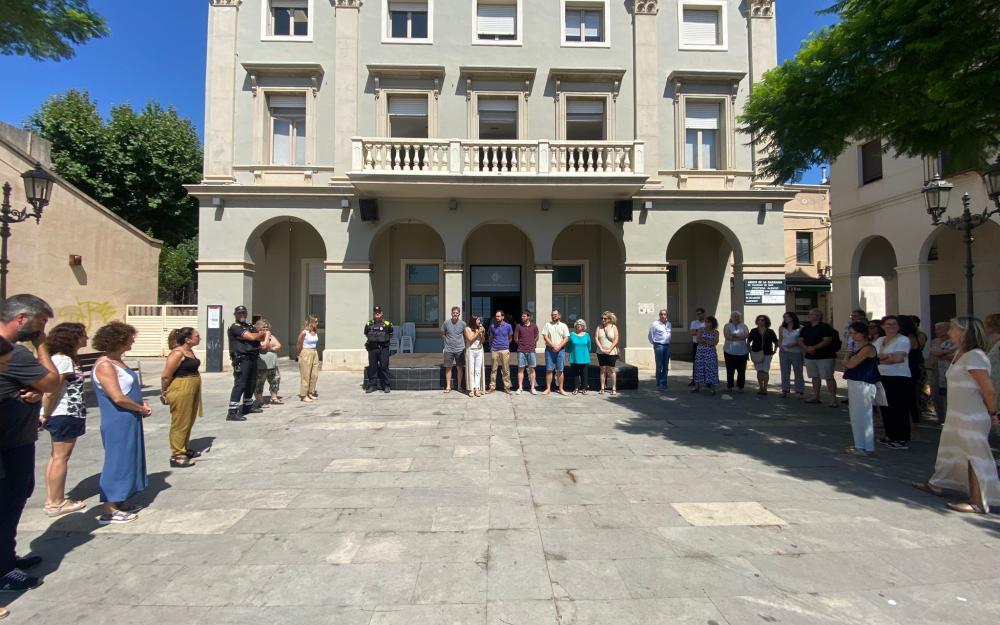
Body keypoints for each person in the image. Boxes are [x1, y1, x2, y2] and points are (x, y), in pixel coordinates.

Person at [0, 294, 60, 592]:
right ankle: (4, 570)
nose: (43, 328)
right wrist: (41, 346)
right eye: (41, 322)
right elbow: (52, 381)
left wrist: (29, 390)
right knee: (8, 502)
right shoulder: (15, 353)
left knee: (13, 499)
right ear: (22, 319)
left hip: (14, 437)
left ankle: (7, 556)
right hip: (10, 442)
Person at [912, 317, 1000, 514]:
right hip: (957, 414)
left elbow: (989, 390)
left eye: (953, 328)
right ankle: (938, 483)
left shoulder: (975, 356)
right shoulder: (961, 353)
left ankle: (978, 501)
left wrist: (994, 413)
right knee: (949, 450)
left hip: (971, 416)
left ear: (964, 332)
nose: (949, 331)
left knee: (975, 456)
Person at [91, 322, 150, 525]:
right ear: (119, 340)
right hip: (118, 418)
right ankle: (109, 508)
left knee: (128, 458)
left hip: (129, 416)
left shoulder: (117, 361)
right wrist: (140, 408)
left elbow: (127, 389)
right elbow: (117, 397)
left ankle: (120, 499)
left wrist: (140, 403)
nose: (133, 340)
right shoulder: (105, 365)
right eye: (130, 337)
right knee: (116, 460)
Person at [40, 322, 89, 516]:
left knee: (56, 457)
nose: (87, 338)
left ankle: (53, 499)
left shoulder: (63, 359)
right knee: (61, 457)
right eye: (83, 335)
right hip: (65, 413)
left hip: (65, 413)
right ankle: (56, 502)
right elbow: (52, 391)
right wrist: (45, 413)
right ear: (72, 338)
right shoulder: (63, 360)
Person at [160, 327, 203, 468]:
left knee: (189, 419)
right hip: (181, 387)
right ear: (187, 339)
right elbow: (166, 375)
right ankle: (177, 454)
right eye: (197, 336)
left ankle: (184, 448)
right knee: (180, 420)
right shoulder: (177, 353)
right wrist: (164, 391)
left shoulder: (189, 352)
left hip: (192, 386)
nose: (200, 338)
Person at [874, 315, 913, 449]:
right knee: (885, 407)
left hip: (899, 377)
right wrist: (886, 356)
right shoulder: (879, 340)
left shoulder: (903, 340)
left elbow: (898, 359)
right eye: (888, 324)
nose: (891, 326)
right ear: (883, 326)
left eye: (894, 324)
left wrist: (881, 358)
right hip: (882, 376)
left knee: (899, 408)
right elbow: (872, 356)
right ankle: (890, 435)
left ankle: (901, 438)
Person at [842, 321, 879, 455]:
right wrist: (848, 356)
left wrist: (847, 358)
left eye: (854, 333)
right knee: (856, 414)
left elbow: (850, 364)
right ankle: (859, 445)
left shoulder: (868, 348)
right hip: (855, 382)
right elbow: (848, 363)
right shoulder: (857, 347)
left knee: (864, 415)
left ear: (862, 334)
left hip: (863, 383)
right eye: (850, 333)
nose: (852, 336)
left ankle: (867, 447)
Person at [227, 305, 268, 420]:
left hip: (253, 357)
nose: (242, 315)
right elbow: (251, 337)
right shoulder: (235, 327)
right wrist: (255, 336)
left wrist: (256, 336)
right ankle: (232, 412)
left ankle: (248, 406)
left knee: (251, 383)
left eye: (244, 313)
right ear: (235, 315)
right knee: (240, 384)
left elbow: (260, 336)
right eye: (239, 313)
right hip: (242, 358)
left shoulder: (249, 326)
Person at [799, 308, 839, 407]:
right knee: (814, 377)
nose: (809, 316)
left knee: (828, 377)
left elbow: (827, 340)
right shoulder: (806, 327)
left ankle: (833, 399)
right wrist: (806, 349)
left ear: (818, 316)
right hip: (810, 357)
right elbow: (800, 340)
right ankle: (816, 396)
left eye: (811, 314)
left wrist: (814, 348)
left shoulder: (825, 327)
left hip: (825, 356)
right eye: (809, 314)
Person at [928, 321, 956, 421]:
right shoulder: (935, 341)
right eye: (936, 329)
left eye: (940, 328)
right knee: (936, 393)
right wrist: (946, 352)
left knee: (949, 395)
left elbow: (954, 353)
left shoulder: (954, 341)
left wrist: (943, 353)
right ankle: (941, 418)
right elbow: (935, 352)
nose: (937, 331)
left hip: (950, 370)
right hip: (936, 370)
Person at [253, 319, 283, 407]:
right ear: (258, 328)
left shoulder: (271, 336)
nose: (266, 329)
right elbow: (263, 346)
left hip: (272, 365)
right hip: (261, 366)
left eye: (267, 327)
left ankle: (274, 398)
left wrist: (271, 348)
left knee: (275, 380)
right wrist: (267, 337)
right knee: (259, 383)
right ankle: (260, 401)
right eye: (263, 327)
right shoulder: (257, 336)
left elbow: (279, 345)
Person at [364, 306, 393, 393]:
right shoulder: (369, 324)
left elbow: (391, 334)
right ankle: (372, 385)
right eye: (376, 312)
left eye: (379, 312)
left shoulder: (387, 324)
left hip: (383, 348)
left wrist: (383, 340)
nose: (377, 313)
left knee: (384, 366)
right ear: (373, 313)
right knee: (372, 367)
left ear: (382, 313)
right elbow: (366, 334)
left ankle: (386, 385)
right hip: (372, 349)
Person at [748, 315, 779, 396]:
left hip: (767, 353)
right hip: (756, 353)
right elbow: (748, 341)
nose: (761, 321)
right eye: (759, 320)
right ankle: (760, 387)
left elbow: (776, 341)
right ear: (757, 321)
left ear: (766, 321)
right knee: (759, 371)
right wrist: (750, 350)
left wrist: (775, 350)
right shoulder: (753, 331)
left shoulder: (770, 331)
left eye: (762, 320)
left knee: (765, 371)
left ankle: (765, 388)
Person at [906, 315, 929, 424]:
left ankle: (916, 419)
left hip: (915, 365)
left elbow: (915, 348)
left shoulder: (918, 336)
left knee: (914, 394)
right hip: (908, 366)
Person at [542, 309, 570, 395]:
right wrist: (554, 346)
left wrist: (559, 346)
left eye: (555, 314)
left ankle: (561, 389)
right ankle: (548, 388)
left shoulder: (563, 325)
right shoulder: (547, 325)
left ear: (559, 316)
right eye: (552, 315)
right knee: (549, 369)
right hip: (549, 350)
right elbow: (545, 336)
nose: (553, 316)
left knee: (560, 370)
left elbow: (566, 338)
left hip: (561, 350)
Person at [778, 311, 805, 398]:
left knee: (798, 371)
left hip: (796, 352)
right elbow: (780, 339)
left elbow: (803, 340)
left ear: (792, 317)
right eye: (784, 317)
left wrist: (795, 344)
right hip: (784, 352)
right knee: (785, 371)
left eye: (787, 317)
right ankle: (785, 390)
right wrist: (780, 347)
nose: (786, 319)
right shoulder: (782, 328)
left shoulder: (800, 328)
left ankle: (799, 391)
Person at [441, 307, 466, 394]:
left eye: (457, 313)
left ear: (459, 314)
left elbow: (466, 335)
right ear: (451, 313)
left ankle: (459, 387)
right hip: (448, 349)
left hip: (460, 349)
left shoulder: (463, 324)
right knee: (448, 368)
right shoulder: (446, 323)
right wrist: (446, 340)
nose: (455, 314)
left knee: (460, 368)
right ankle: (448, 386)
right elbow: (442, 333)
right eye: (453, 312)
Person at [691, 316, 720, 394]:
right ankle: (697, 386)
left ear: (712, 323)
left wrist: (704, 340)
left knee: (711, 369)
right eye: (706, 322)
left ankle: (712, 388)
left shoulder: (716, 332)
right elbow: (698, 340)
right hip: (700, 353)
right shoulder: (701, 330)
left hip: (711, 354)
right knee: (699, 368)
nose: (706, 323)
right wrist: (709, 341)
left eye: (708, 322)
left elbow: (715, 343)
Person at [487, 310, 513, 394]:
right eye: (496, 316)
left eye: (498, 316)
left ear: (503, 317)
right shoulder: (492, 326)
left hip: (504, 350)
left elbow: (510, 338)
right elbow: (490, 337)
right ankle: (492, 387)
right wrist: (491, 347)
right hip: (495, 350)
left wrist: (506, 346)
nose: (497, 318)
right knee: (493, 369)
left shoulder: (508, 326)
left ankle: (507, 387)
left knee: (506, 369)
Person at [723, 311, 749, 393]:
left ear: (739, 317)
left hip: (742, 352)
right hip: (729, 351)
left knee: (741, 370)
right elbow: (727, 336)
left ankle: (740, 387)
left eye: (737, 316)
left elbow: (746, 335)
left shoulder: (744, 326)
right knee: (730, 370)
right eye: (733, 316)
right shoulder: (727, 326)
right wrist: (739, 337)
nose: (735, 318)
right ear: (731, 317)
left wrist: (733, 336)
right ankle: (729, 386)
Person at [514, 311, 539, 395]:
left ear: (528, 317)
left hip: (531, 350)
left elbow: (537, 336)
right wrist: (522, 344)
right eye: (522, 316)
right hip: (521, 350)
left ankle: (532, 388)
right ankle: (520, 387)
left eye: (524, 316)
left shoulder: (534, 326)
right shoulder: (518, 326)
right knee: (521, 369)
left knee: (532, 369)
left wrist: (531, 343)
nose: (522, 318)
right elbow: (515, 338)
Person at [296, 315, 321, 402]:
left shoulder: (315, 331)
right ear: (311, 322)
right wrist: (300, 355)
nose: (317, 323)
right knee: (305, 375)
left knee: (314, 374)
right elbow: (299, 344)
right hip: (306, 352)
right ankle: (304, 395)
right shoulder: (304, 333)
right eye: (316, 322)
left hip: (314, 352)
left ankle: (310, 392)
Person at [595, 311, 620, 396]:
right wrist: (601, 348)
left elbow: (616, 339)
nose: (603, 320)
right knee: (602, 369)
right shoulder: (599, 327)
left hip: (612, 352)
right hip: (600, 351)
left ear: (609, 319)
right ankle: (602, 387)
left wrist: (609, 349)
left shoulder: (614, 327)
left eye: (605, 318)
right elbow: (596, 338)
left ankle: (613, 388)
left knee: (611, 370)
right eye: (601, 318)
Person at [648, 309, 672, 391]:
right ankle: (659, 383)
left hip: (667, 346)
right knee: (659, 365)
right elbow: (650, 335)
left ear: (667, 315)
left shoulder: (669, 324)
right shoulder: (655, 324)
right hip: (659, 345)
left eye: (665, 314)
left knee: (666, 365)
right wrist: (654, 343)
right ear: (659, 315)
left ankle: (664, 383)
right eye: (661, 314)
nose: (663, 316)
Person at [568, 319, 592, 394]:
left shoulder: (587, 335)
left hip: (584, 357)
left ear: (584, 326)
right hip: (574, 357)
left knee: (584, 374)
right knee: (575, 374)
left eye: (581, 324)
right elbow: (568, 346)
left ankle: (584, 388)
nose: (579, 325)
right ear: (575, 326)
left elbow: (589, 346)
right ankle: (576, 388)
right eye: (578, 324)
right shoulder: (571, 334)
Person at [464, 315, 486, 397]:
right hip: (471, 351)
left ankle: (477, 388)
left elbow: (483, 341)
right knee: (471, 370)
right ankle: (471, 389)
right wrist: (477, 332)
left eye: (479, 320)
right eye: (478, 320)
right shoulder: (467, 329)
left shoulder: (480, 329)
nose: (479, 322)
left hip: (479, 350)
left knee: (477, 371)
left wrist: (482, 333)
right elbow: (470, 339)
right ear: (473, 321)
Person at [688, 307, 706, 386]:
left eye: (699, 314)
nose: (698, 316)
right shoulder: (694, 322)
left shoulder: (707, 322)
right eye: (697, 314)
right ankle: (694, 380)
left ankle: (706, 380)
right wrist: (702, 331)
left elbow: (710, 332)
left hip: (706, 344)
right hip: (696, 344)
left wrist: (698, 331)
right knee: (696, 363)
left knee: (706, 362)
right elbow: (692, 333)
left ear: (703, 314)